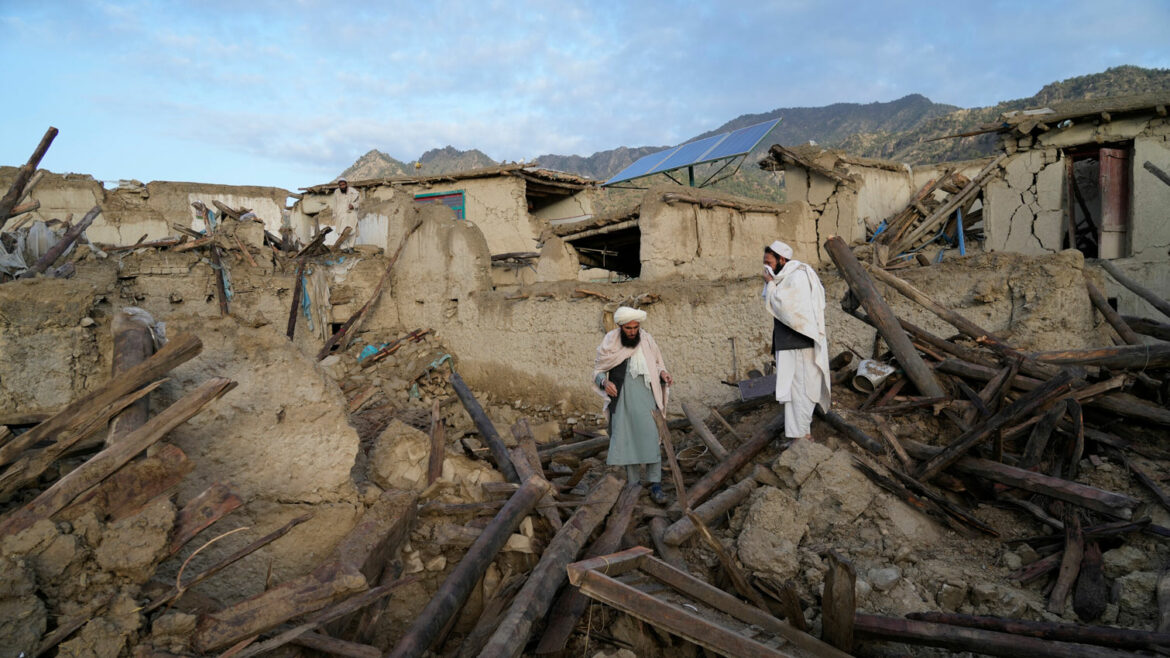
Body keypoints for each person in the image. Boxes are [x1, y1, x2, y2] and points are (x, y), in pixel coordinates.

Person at [592, 306, 673, 504]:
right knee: (628, 438)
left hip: (646, 396)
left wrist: (663, 373)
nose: (633, 332)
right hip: (623, 398)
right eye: (628, 328)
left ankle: (655, 484)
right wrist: (605, 382)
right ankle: (634, 483)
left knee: (652, 436)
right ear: (620, 326)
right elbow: (598, 371)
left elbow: (657, 363)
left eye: (635, 327)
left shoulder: (646, 339)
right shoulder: (611, 341)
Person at [762, 240, 831, 440]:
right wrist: (772, 283)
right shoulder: (784, 278)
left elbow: (786, 308)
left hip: (800, 346)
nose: (767, 267)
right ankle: (797, 436)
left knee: (801, 390)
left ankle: (803, 436)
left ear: (782, 259)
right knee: (791, 392)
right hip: (789, 345)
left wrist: (770, 283)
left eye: (770, 262)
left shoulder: (798, 276)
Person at [332, 178, 361, 249]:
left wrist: (353, 205)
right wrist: (334, 214)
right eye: (340, 185)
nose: (342, 186)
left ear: (346, 184)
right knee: (341, 231)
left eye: (343, 184)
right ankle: (344, 247)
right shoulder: (337, 192)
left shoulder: (354, 192)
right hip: (340, 214)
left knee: (352, 230)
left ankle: (351, 247)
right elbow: (335, 204)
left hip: (351, 214)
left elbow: (359, 203)